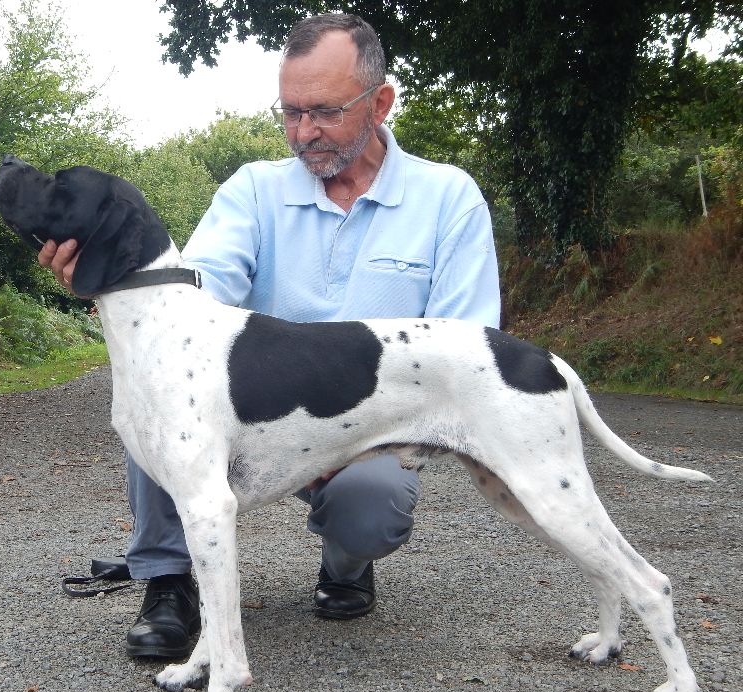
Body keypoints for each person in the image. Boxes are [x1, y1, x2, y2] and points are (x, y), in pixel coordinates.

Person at [38, 13, 501, 658]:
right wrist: (113, 282)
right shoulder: (254, 189)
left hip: (368, 421)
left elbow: (466, 345)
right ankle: (169, 583)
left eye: (323, 112)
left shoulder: (449, 198)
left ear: (382, 102)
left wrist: (361, 433)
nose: (303, 132)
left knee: (373, 503)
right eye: (289, 112)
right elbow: (193, 293)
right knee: (163, 398)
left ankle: (346, 565)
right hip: (254, 410)